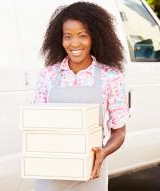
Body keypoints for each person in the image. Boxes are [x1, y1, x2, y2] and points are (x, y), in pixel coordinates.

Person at [34, 2, 129, 191]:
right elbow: (38, 126)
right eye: (67, 37)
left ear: (95, 37)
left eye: (82, 36)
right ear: (59, 39)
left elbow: (120, 131)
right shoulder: (47, 76)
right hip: (51, 169)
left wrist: (103, 152)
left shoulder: (111, 77)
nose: (74, 43)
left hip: (92, 170)